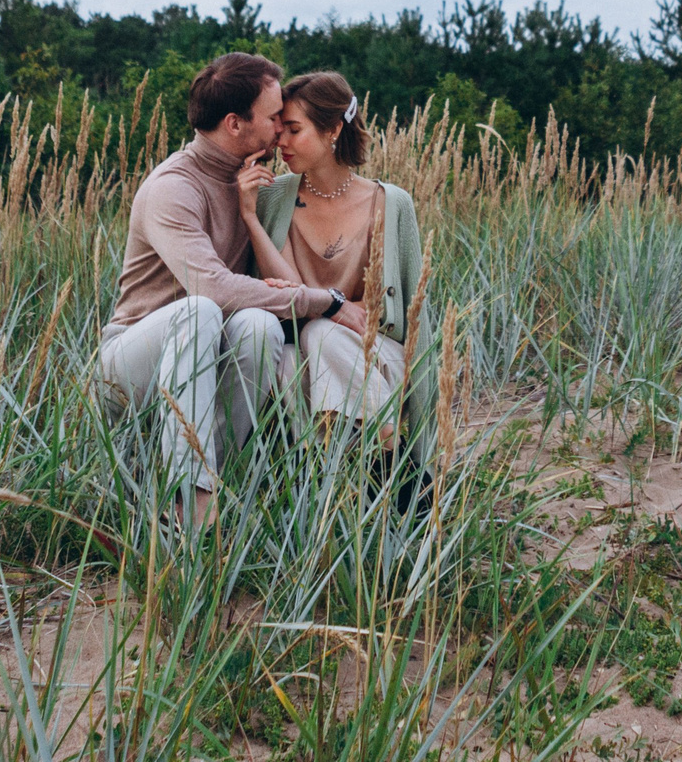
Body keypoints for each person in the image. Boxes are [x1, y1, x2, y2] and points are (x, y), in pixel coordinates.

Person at [94, 51, 340, 519]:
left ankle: (214, 479)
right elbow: (214, 290)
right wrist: (325, 302)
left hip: (206, 359)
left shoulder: (253, 184)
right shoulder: (173, 187)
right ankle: (191, 501)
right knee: (200, 309)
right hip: (129, 370)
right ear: (234, 123)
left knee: (258, 327)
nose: (280, 128)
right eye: (273, 117)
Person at [236, 70, 432, 467]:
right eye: (280, 130)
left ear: (333, 130)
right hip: (311, 355)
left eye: (294, 130)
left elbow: (407, 311)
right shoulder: (273, 198)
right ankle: (364, 470)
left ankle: (387, 454)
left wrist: (429, 417)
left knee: (322, 332)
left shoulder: (390, 203)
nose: (281, 142)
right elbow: (293, 294)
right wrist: (251, 218)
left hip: (373, 355)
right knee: (292, 358)